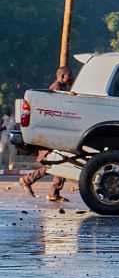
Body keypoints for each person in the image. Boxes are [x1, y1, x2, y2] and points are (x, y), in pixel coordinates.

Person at [19, 67, 73, 202]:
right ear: (63, 76)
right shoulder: (57, 88)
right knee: (61, 161)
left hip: (56, 130)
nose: (71, 78)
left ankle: (30, 181)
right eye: (69, 75)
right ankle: (50, 190)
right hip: (54, 131)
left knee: (58, 162)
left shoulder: (61, 88)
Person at [0, 106, 15, 172]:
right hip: (4, 135)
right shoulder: (3, 118)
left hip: (11, 135)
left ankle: (11, 167)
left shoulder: (12, 118)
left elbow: (13, 126)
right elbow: (1, 128)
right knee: (1, 151)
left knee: (12, 152)